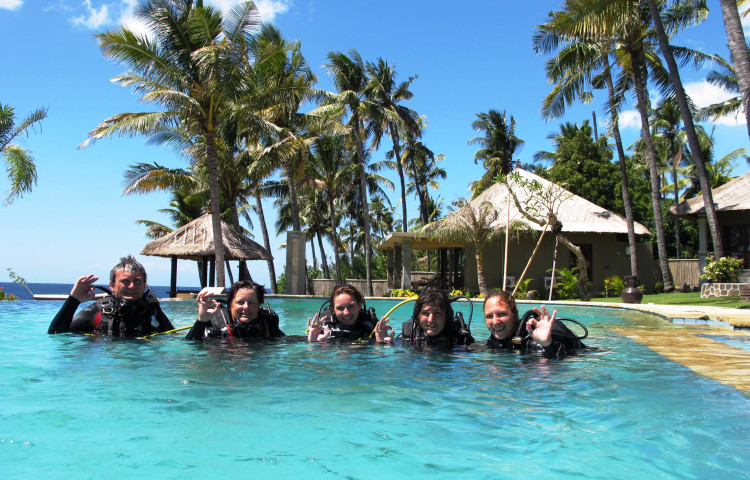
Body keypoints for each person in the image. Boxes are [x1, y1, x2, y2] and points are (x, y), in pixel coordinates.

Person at [47, 255, 173, 337]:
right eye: (125, 281)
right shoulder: (96, 312)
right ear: (112, 285)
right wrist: (73, 300)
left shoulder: (153, 310)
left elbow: (176, 339)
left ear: (144, 286)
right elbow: (56, 334)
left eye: (137, 281)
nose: (132, 286)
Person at [483, 289, 586, 357]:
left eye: (502, 314)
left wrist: (548, 344)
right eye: (489, 316)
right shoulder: (494, 341)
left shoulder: (535, 338)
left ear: (514, 314)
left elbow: (560, 369)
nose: (495, 322)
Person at [376, 286, 474, 347]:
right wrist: (383, 343)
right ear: (417, 316)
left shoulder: (460, 338)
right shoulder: (409, 335)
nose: (431, 320)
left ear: (447, 316)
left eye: (437, 313)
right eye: (425, 313)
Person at [185, 280, 284, 340]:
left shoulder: (267, 322)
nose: (246, 307)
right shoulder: (215, 322)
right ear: (230, 305)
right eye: (240, 303)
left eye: (251, 303)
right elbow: (191, 345)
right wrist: (201, 321)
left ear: (259, 305)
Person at [307, 284, 378, 342]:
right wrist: (312, 342)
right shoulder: (323, 331)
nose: (346, 313)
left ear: (359, 306)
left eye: (351, 306)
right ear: (333, 310)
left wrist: (383, 342)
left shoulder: (372, 328)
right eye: (340, 308)